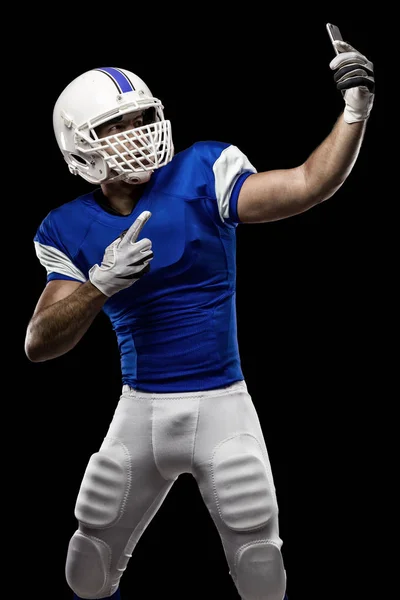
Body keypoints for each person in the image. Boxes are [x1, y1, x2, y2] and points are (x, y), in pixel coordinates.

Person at [24, 28, 375, 600]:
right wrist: (99, 286)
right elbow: (39, 343)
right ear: (78, 146)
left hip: (222, 404)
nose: (134, 134)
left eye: (140, 118)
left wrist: (354, 111)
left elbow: (310, 184)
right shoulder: (67, 226)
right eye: (114, 126)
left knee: (262, 570)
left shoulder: (201, 172)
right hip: (140, 407)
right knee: (86, 567)